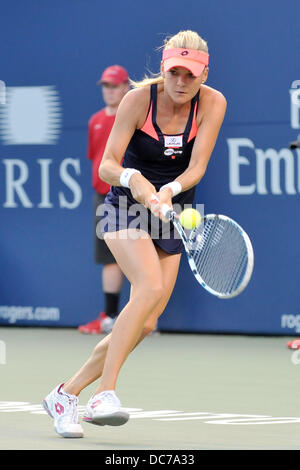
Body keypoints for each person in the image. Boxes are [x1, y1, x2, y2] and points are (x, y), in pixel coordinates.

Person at [43, 30, 227, 438]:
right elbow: (108, 164)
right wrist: (136, 180)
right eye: (174, 72)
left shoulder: (213, 103)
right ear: (163, 68)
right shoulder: (137, 100)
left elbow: (197, 167)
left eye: (190, 75)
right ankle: (105, 393)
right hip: (124, 206)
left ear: (204, 74)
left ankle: (65, 393)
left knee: (145, 322)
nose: (181, 82)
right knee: (146, 288)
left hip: (172, 211)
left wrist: (170, 190)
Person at [78, 65, 130, 335]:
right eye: (105, 87)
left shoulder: (133, 116)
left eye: (114, 86)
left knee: (142, 255)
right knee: (109, 258)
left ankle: (146, 318)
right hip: (103, 196)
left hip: (132, 195)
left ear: (126, 87)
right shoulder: (94, 120)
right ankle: (110, 317)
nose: (109, 92)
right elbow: (97, 159)